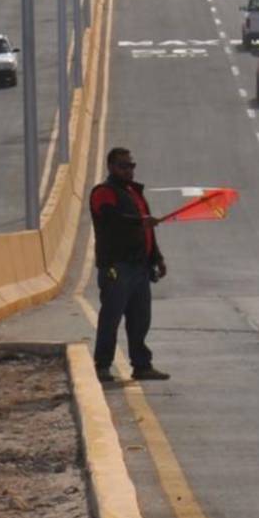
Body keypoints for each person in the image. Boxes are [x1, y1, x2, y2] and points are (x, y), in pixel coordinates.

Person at [89, 147, 171, 383]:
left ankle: (142, 365)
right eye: (123, 166)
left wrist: (157, 257)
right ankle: (103, 366)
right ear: (111, 167)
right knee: (111, 318)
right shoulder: (104, 192)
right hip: (117, 267)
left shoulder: (134, 193)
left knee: (140, 319)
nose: (129, 170)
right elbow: (110, 219)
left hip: (140, 268)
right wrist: (139, 222)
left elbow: (147, 232)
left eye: (131, 165)